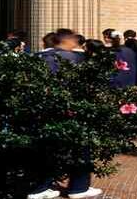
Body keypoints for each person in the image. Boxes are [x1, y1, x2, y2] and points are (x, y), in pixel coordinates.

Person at [29, 29, 101, 199]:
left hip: (44, 111)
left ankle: (40, 188)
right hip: (71, 111)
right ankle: (79, 188)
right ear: (67, 41)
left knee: (48, 150)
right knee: (80, 150)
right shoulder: (75, 58)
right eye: (74, 40)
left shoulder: (38, 57)